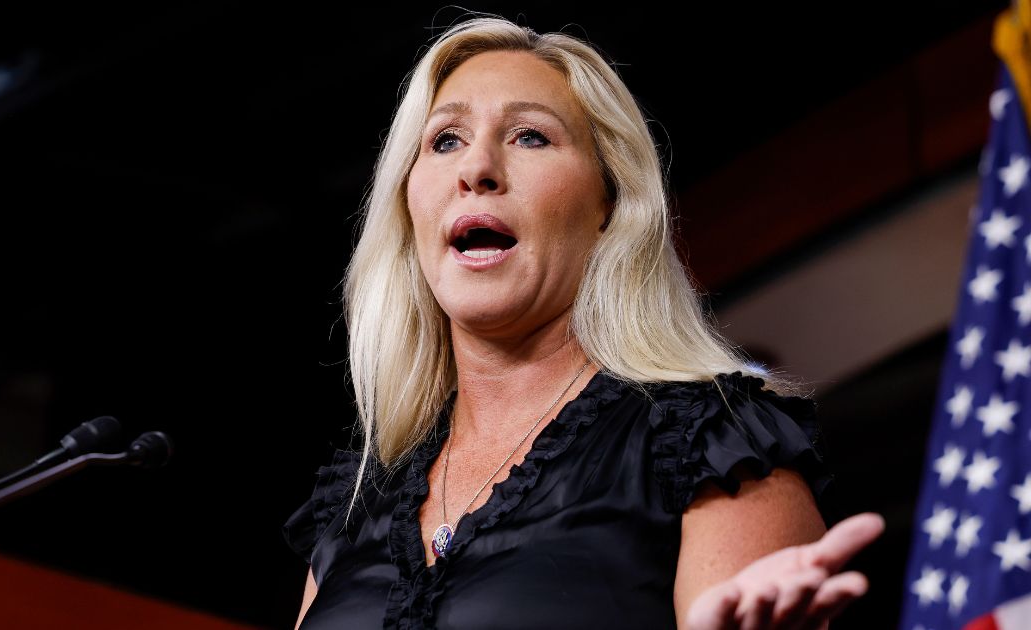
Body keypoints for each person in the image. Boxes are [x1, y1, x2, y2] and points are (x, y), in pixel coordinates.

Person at [281, 14, 884, 630]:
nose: (476, 168)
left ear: (610, 204)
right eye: (445, 140)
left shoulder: (712, 442)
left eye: (530, 137)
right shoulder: (357, 498)